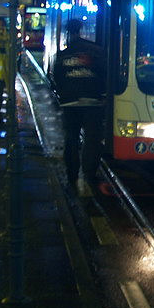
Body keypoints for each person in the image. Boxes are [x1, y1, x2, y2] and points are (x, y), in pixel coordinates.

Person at [54, 19, 106, 187]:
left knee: (71, 138)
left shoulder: (63, 55)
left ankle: (72, 174)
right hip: (92, 102)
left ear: (68, 32)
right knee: (92, 139)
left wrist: (64, 95)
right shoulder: (96, 51)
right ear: (82, 30)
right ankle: (89, 174)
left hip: (70, 103)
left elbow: (57, 78)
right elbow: (103, 75)